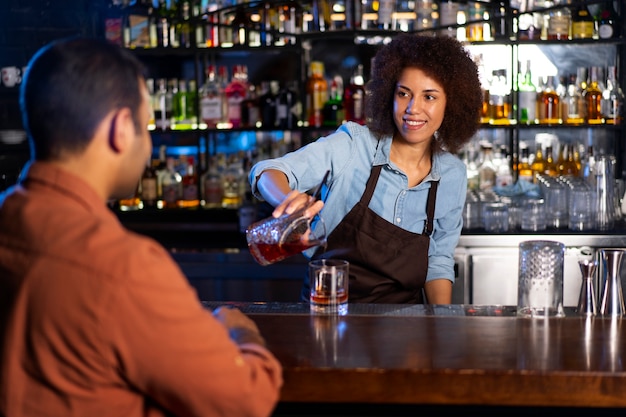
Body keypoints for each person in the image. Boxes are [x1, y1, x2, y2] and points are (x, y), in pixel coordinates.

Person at [0, 37, 282, 417]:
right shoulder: (122, 266)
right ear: (119, 128)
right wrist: (239, 331)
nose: (148, 145)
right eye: (146, 126)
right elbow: (247, 400)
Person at [249, 34, 483, 305]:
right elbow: (268, 171)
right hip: (331, 310)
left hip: (405, 325)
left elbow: (438, 261)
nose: (412, 109)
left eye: (429, 97)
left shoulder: (452, 174)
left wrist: (441, 324)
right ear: (389, 95)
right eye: (403, 93)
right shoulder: (353, 145)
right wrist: (286, 199)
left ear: (451, 104)